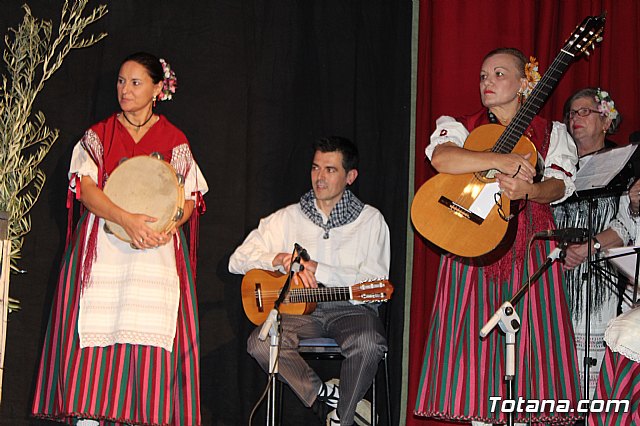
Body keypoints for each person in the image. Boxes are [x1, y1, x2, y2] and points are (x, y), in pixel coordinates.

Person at [32, 52, 208, 426]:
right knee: (97, 323)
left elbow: (190, 198)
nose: (124, 90)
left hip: (154, 249)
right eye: (120, 82)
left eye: (135, 82)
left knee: (148, 329)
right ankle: (88, 413)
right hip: (105, 241)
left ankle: (146, 412)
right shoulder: (99, 135)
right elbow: (85, 189)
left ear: (158, 88)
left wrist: (168, 224)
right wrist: (126, 220)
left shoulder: (174, 140)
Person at [413, 48, 582, 424]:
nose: (487, 82)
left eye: (499, 74)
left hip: (529, 241)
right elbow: (442, 159)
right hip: (470, 235)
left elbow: (559, 186)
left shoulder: (551, 133)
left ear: (525, 83)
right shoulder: (461, 124)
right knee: (474, 341)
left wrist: (529, 191)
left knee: (530, 339)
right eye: (483, 76)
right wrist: (499, 159)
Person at [228, 136, 390, 426]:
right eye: (316, 168)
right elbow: (236, 260)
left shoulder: (370, 221)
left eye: (330, 170)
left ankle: (342, 418)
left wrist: (320, 269)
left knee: (369, 343)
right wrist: (276, 259)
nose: (320, 177)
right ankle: (325, 393)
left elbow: (374, 285)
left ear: (350, 176)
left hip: (351, 310)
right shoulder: (287, 217)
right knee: (261, 344)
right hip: (301, 312)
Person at [552, 87, 626, 398]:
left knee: (593, 385)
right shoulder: (556, 169)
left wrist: (589, 247)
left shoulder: (625, 165)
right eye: (571, 113)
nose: (575, 119)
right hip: (558, 280)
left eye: (584, 112)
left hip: (604, 286)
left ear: (606, 121)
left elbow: (627, 225)